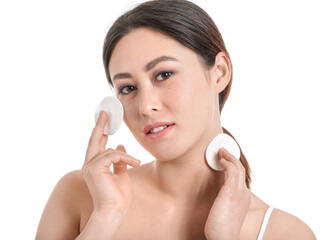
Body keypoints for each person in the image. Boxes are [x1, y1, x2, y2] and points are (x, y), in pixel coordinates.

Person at [36, 0, 316, 239]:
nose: (145, 107)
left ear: (219, 72)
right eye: (128, 88)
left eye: (163, 75)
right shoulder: (79, 196)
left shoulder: (284, 232)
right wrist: (104, 220)